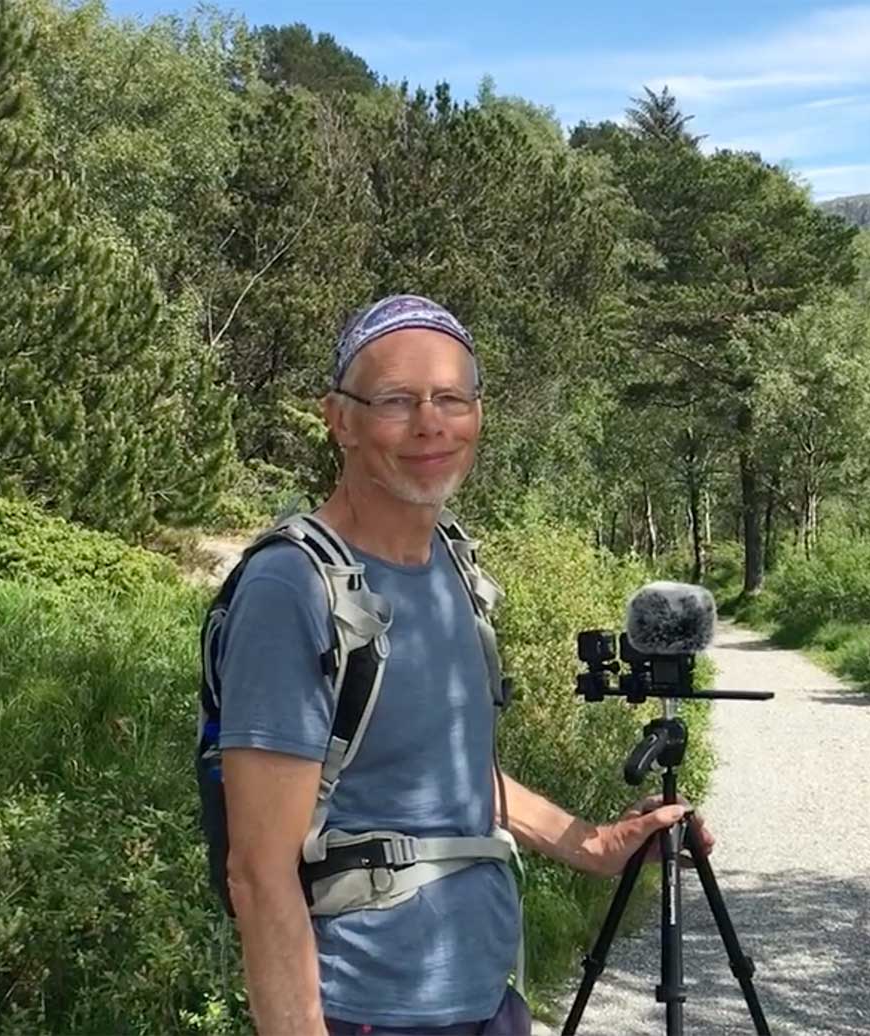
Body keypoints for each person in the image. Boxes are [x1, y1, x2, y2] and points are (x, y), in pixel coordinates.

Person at [217, 294, 713, 1036]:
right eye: (395, 400)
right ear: (339, 419)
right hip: (368, 1011)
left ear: (478, 415)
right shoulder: (292, 589)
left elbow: (436, 769)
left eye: (452, 397)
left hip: (489, 996)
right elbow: (258, 875)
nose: (430, 424)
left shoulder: (452, 561)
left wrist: (593, 843)